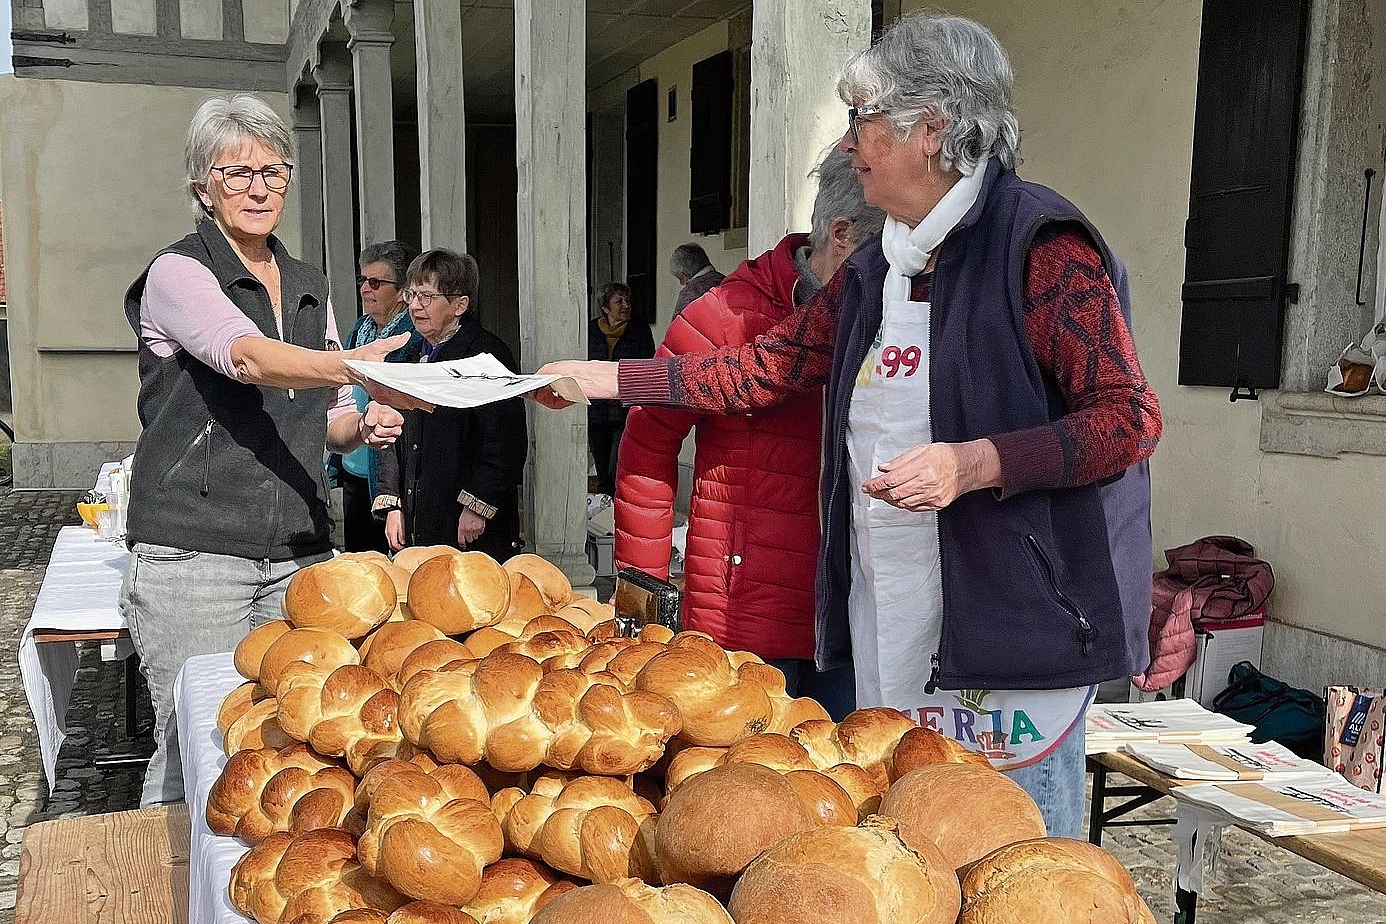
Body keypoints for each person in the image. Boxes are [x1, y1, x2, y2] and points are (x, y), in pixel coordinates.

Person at [536, 13, 1162, 838]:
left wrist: (975, 463)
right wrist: (606, 377)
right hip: (894, 611)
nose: (847, 143)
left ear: (931, 128)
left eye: (863, 118)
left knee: (1016, 851)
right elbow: (767, 366)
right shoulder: (879, 265)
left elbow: (1127, 418)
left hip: (1017, 626)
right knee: (909, 840)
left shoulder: (1040, 246)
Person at [121, 95, 416, 805]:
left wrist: (366, 421)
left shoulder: (312, 284)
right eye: (236, 173)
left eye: (273, 172)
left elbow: (332, 421)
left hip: (299, 553)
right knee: (194, 746)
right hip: (196, 554)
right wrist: (357, 368)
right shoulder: (178, 272)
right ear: (203, 187)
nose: (258, 188)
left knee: (290, 748)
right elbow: (245, 358)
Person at [615, 149, 883, 721]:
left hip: (860, 615)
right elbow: (647, 442)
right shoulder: (722, 313)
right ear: (841, 235)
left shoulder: (900, 311)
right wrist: (643, 585)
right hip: (743, 616)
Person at [374, 249, 527, 561]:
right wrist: (393, 505)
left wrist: (477, 507)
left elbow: (503, 441)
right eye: (412, 293)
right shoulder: (405, 354)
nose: (415, 305)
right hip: (417, 512)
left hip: (465, 519)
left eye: (427, 296)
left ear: (460, 305)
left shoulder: (487, 357)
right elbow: (389, 434)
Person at [335, 240, 422, 553]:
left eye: (375, 282)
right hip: (354, 467)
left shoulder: (412, 338)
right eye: (362, 281)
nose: (365, 289)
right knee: (359, 565)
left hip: (388, 474)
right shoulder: (360, 330)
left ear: (401, 291)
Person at [587, 282, 654, 496]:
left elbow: (648, 364)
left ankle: (617, 508)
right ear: (606, 308)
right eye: (619, 302)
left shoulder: (639, 330)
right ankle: (607, 513)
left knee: (616, 466)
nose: (625, 306)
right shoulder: (590, 330)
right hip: (596, 410)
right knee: (602, 471)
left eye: (627, 301)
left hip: (625, 408)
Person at [669, 243, 725, 316]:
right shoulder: (727, 282)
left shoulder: (689, 293)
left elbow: (676, 326)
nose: (682, 283)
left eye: (680, 278)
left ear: (686, 274)